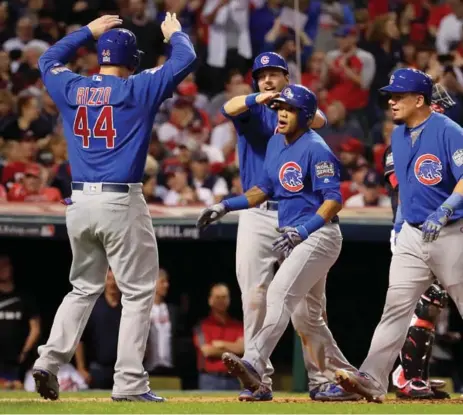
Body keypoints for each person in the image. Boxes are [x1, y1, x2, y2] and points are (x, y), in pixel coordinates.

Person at [31, 14, 196, 402]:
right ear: (132, 60)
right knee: (139, 292)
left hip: (79, 202)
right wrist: (175, 34)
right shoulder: (137, 87)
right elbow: (185, 58)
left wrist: (87, 32)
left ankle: (49, 361)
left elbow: (46, 59)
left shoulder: (71, 84)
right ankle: (129, 384)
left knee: (82, 288)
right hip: (120, 199)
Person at [198, 84, 359, 401]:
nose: (281, 113)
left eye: (289, 109)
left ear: (306, 115)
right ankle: (345, 379)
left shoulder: (317, 147)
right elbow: (264, 189)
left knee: (279, 293)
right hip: (295, 235)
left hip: (319, 234)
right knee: (307, 317)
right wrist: (225, 206)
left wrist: (305, 229)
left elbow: (333, 201)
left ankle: (254, 365)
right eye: (279, 108)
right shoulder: (276, 142)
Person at [336, 68, 463, 403]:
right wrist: (399, 225)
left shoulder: (449, 130)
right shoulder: (397, 135)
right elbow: (404, 189)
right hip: (412, 234)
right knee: (395, 308)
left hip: (452, 232)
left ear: (419, 99)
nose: (390, 101)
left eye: (398, 96)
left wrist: (448, 207)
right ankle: (372, 378)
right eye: (390, 96)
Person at [385, 83, 455, 400]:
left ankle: (414, 374)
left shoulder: (442, 136)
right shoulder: (402, 141)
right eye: (437, 105)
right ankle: (406, 375)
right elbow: (407, 188)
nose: (441, 110)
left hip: (442, 232)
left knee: (432, 304)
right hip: (408, 231)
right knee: (424, 303)